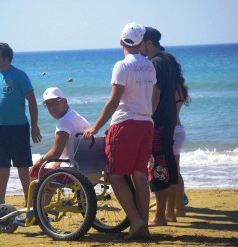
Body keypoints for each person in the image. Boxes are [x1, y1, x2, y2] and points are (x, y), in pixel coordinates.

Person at [83, 22, 156, 239]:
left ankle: (135, 221)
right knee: (139, 176)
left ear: (121, 42)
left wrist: (95, 126)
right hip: (146, 124)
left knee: (115, 176)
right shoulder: (150, 66)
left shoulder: (122, 66)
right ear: (142, 43)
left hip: (125, 125)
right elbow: (154, 96)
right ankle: (143, 225)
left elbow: (114, 101)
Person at [0, 42, 42, 208]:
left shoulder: (20, 75)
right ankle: (0, 198)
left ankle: (29, 200)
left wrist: (34, 126)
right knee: (2, 163)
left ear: (6, 58)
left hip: (18, 127)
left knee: (22, 164)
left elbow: (32, 101)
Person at [139, 27, 178, 226]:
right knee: (168, 164)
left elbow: (155, 94)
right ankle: (170, 213)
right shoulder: (167, 60)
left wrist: (147, 116)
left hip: (159, 122)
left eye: (142, 43)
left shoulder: (154, 63)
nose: (140, 47)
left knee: (158, 167)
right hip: (169, 119)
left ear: (149, 42)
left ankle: (160, 216)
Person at [29, 87, 91, 179]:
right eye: (48, 104)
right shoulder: (76, 116)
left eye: (55, 102)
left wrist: (39, 161)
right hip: (92, 171)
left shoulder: (64, 122)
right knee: (54, 165)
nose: (51, 107)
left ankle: (43, 193)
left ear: (64, 101)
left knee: (33, 171)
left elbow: (55, 153)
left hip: (74, 173)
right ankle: (47, 192)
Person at [166, 53, 191, 217]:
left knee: (169, 172)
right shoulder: (180, 86)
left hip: (171, 130)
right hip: (179, 129)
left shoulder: (169, 87)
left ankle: (171, 209)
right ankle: (179, 208)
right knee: (176, 171)